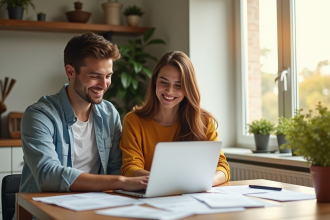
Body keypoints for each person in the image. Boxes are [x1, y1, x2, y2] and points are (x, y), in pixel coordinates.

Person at [19, 33, 148, 195]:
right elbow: (48, 175)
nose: (103, 85)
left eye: (108, 76)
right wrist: (121, 182)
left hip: (95, 206)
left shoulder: (109, 114)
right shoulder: (39, 115)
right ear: (70, 72)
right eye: (95, 76)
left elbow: (116, 168)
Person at [120, 51, 230, 186]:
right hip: (151, 194)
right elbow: (130, 168)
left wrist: (205, 181)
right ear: (155, 81)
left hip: (193, 195)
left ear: (188, 88)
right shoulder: (133, 120)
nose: (169, 91)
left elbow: (222, 167)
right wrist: (168, 181)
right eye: (164, 82)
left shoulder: (204, 122)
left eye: (178, 85)